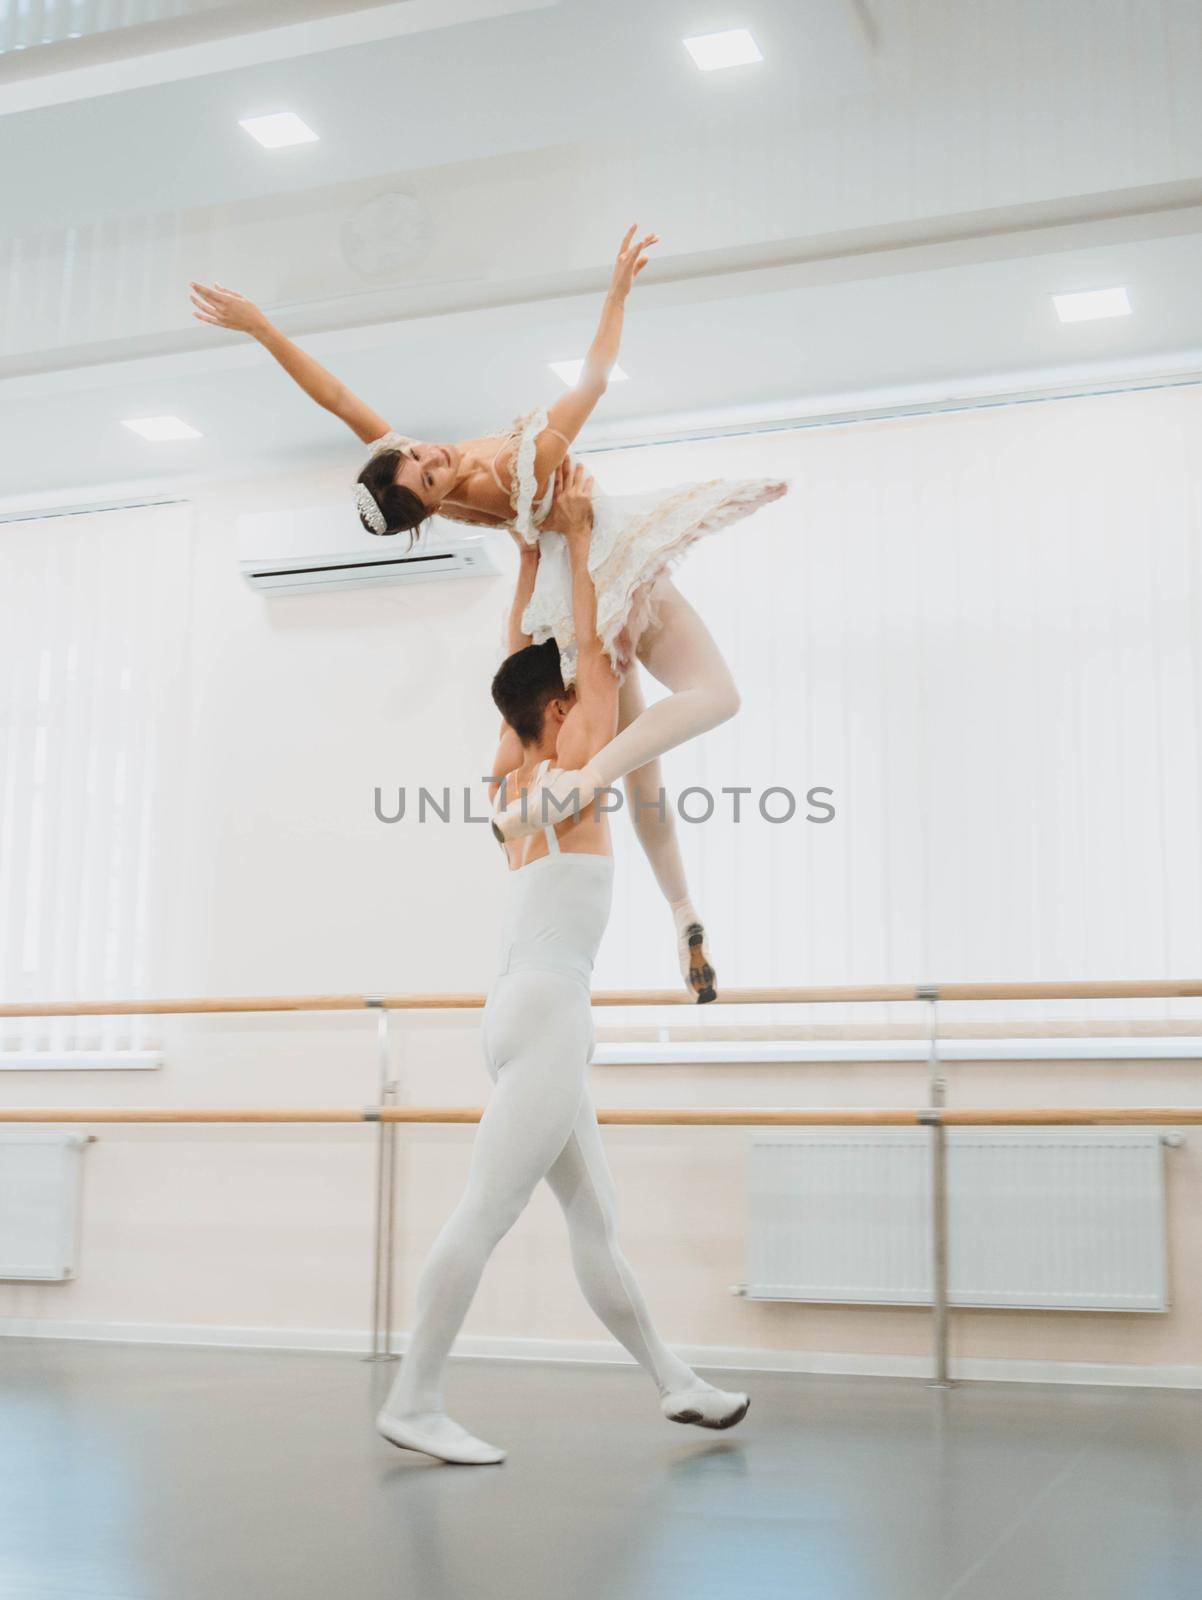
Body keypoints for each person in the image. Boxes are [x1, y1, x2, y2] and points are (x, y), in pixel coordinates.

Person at [190, 227, 787, 997]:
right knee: (712, 699)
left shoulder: (419, 474)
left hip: (566, 594)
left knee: (647, 775)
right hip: (600, 563)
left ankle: (683, 913)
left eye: (422, 456)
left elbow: (341, 402)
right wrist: (616, 293)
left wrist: (264, 329)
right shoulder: (514, 466)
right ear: (434, 507)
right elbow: (595, 383)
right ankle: (590, 785)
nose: (436, 458)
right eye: (432, 476)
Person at [373, 464, 750, 1464]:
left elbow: (524, 654)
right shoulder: (573, 768)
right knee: (486, 1211)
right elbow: (581, 645)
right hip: (546, 1014)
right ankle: (414, 1397)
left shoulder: (514, 774)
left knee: (596, 1218)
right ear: (558, 713)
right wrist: (580, 544)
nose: (598, 686)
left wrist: (532, 555)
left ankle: (676, 1382)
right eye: (580, 694)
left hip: (516, 1012)